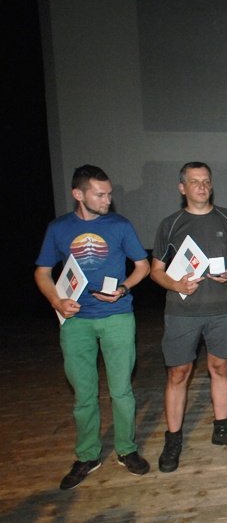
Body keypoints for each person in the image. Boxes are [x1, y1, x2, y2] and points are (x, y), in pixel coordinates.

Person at [34, 165, 151, 489]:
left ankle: (126, 449)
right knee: (84, 394)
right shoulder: (59, 228)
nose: (107, 200)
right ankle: (88, 455)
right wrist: (57, 301)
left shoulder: (120, 225)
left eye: (109, 194)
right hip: (75, 321)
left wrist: (124, 288)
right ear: (78, 194)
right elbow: (42, 272)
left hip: (117, 317)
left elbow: (142, 266)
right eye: (100, 195)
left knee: (121, 390)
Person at [150, 162, 227, 473]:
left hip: (225, 308)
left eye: (206, 181)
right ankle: (173, 438)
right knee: (178, 374)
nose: (202, 186)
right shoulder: (170, 224)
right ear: (182, 188)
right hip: (182, 311)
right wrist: (176, 284)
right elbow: (156, 271)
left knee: (220, 368)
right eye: (194, 181)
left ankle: (221, 427)